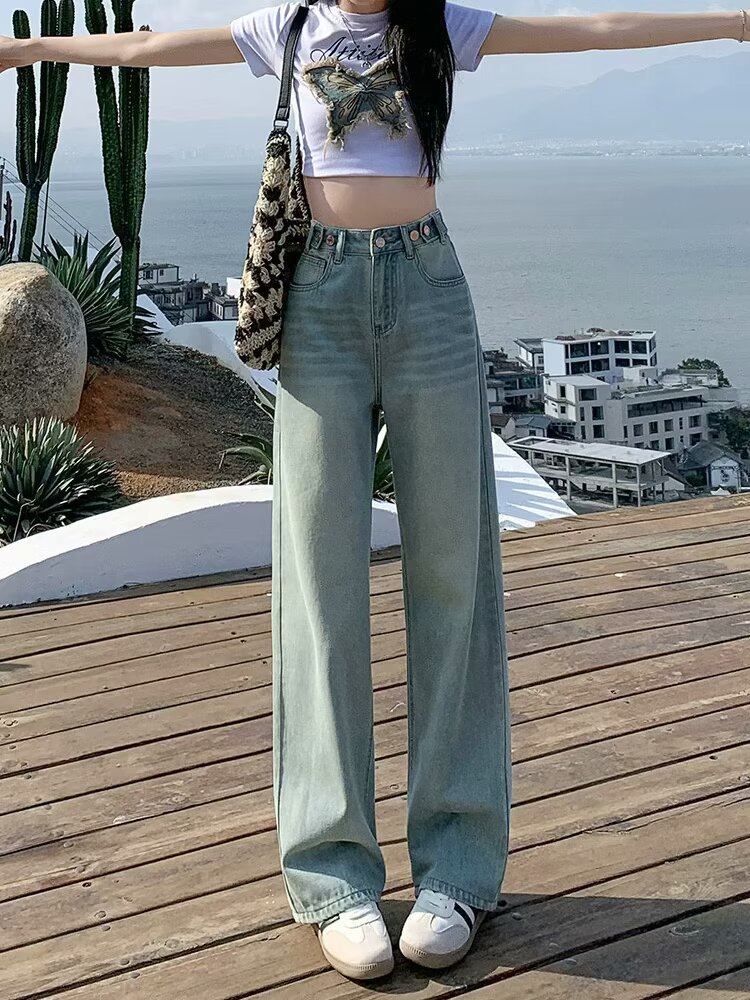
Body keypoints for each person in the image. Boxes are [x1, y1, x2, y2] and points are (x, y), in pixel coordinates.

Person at [2, 0, 746, 980]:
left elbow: (590, 30)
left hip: (429, 291)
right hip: (320, 301)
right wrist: (30, 46)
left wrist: (731, 24)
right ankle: (333, 875)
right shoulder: (290, 28)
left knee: (453, 575)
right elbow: (147, 45)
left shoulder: (438, 25)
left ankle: (459, 868)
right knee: (318, 582)